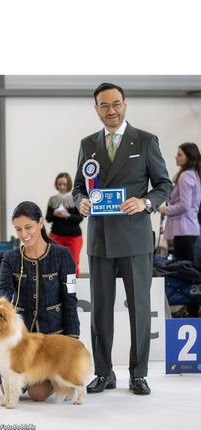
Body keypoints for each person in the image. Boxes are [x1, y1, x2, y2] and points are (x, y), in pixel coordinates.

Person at [72, 83, 173, 395]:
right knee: (100, 310)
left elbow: (164, 185)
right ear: (96, 109)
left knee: (139, 308)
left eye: (116, 104)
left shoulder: (145, 140)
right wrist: (81, 202)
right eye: (104, 106)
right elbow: (78, 187)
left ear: (125, 105)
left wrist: (145, 203)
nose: (111, 111)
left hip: (134, 239)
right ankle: (103, 373)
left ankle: (138, 373)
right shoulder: (88, 144)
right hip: (100, 239)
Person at [0, 201, 80, 401]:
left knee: (38, 394)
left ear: (40, 223)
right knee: (5, 390)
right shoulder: (10, 258)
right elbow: (5, 288)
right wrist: (0, 304)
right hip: (21, 342)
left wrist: (72, 342)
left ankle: (60, 379)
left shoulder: (62, 255)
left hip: (49, 343)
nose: (23, 234)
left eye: (28, 227)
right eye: (18, 229)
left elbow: (70, 300)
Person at [159, 143, 201, 317]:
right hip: (189, 230)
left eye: (180, 155)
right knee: (191, 271)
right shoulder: (194, 175)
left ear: (188, 158)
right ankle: (192, 309)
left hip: (183, 231)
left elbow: (184, 205)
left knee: (188, 274)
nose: (176, 157)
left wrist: (164, 210)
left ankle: (192, 311)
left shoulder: (185, 177)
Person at [46, 173, 84, 277]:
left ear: (69, 184)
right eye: (59, 184)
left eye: (64, 184)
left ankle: (74, 286)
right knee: (55, 263)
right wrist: (54, 214)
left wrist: (68, 215)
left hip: (74, 236)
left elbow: (80, 218)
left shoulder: (75, 198)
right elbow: (47, 218)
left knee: (73, 262)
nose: (62, 187)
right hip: (56, 236)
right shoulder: (53, 200)